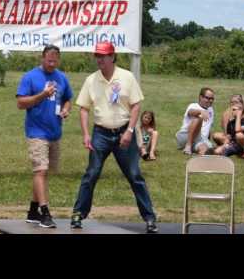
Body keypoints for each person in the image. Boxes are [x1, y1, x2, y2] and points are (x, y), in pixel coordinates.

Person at [70, 41, 158, 234]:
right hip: (100, 133)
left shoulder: (126, 77)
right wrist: (86, 134)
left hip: (123, 131)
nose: (99, 59)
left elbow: (136, 105)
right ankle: (78, 213)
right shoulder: (91, 80)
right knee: (91, 173)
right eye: (97, 56)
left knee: (134, 175)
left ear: (112, 56)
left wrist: (129, 131)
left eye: (103, 56)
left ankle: (150, 218)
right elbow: (84, 109)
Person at [16, 44, 73, 229]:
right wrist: (42, 94)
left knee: (45, 172)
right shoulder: (30, 77)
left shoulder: (62, 77)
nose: (52, 63)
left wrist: (65, 109)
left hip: (54, 132)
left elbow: (67, 99)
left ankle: (32, 211)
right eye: (49, 60)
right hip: (36, 132)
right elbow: (21, 103)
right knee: (40, 170)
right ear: (42, 58)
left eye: (55, 60)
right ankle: (45, 212)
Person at [176, 88, 215, 155]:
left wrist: (207, 140)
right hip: (185, 136)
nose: (210, 100)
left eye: (212, 99)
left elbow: (207, 128)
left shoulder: (211, 110)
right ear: (200, 97)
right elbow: (190, 112)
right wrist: (200, 111)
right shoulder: (193, 106)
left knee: (205, 149)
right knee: (198, 118)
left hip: (199, 139)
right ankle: (188, 146)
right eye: (208, 98)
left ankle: (200, 155)